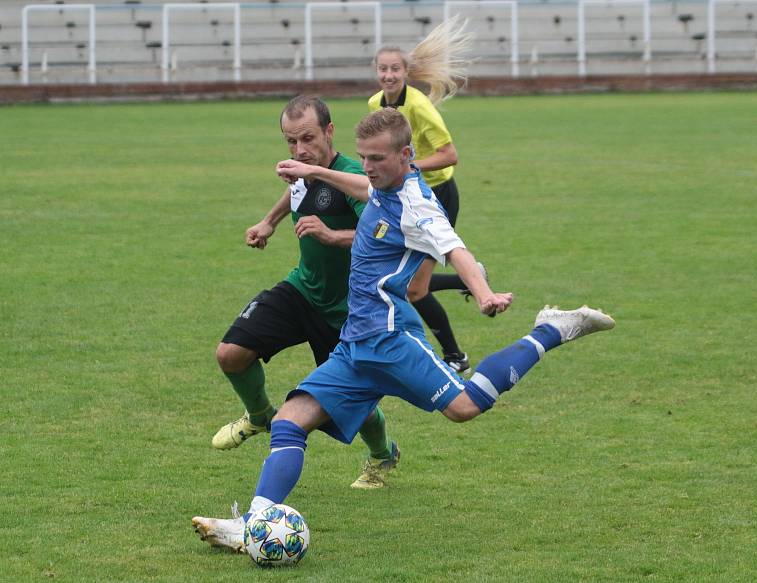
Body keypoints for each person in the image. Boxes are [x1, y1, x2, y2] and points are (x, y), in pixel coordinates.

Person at [192, 108, 615, 553]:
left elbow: (458, 252)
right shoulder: (380, 183)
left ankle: (550, 329)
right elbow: (364, 188)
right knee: (288, 423)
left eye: (376, 159)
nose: (368, 168)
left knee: (465, 407)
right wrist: (314, 169)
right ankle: (254, 524)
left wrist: (485, 293)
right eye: (363, 157)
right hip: (355, 345)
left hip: (392, 340)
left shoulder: (419, 207)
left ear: (406, 155)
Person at [211, 95, 399, 491]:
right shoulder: (302, 171)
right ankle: (260, 415)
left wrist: (332, 235)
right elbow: (297, 191)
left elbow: (381, 233)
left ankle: (383, 454)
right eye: (291, 142)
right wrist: (268, 223)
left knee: (355, 408)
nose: (299, 150)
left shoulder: (351, 175)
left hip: (348, 311)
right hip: (303, 290)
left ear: (329, 132)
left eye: (308, 139)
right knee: (231, 354)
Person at [369, 16, 480, 375]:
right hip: (407, 197)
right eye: (383, 69)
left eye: (395, 69)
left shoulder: (418, 106)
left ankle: (456, 357)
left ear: (406, 72)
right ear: (377, 72)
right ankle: (467, 277)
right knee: (402, 280)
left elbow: (450, 155)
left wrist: (410, 167)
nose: (389, 75)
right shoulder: (376, 104)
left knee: (414, 290)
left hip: (439, 195)